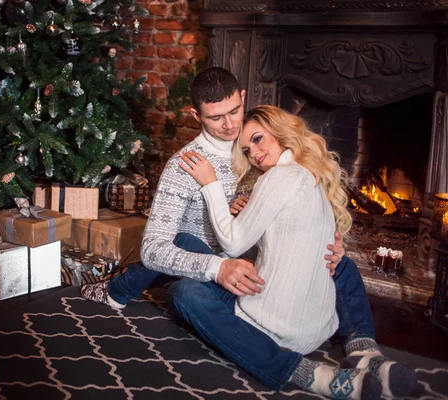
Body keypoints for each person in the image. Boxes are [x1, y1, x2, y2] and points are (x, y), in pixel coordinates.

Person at [81, 67, 414, 398]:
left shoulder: (263, 143)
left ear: (243, 98)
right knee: (185, 294)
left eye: (234, 112)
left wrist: (325, 242)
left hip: (264, 265)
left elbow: (292, 215)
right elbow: (154, 250)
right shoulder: (184, 165)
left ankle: (363, 351)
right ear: (196, 114)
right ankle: (296, 370)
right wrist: (219, 267)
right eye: (215, 118)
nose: (229, 125)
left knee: (342, 265)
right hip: (213, 266)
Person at [171, 105, 414, 399]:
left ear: (279, 133)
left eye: (258, 140)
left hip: (266, 326)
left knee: (183, 293)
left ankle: (306, 374)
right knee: (343, 265)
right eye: (246, 150)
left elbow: (233, 246)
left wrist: (210, 183)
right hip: (316, 331)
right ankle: (365, 352)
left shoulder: (277, 177)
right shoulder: (309, 176)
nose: (254, 154)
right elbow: (283, 245)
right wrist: (244, 215)